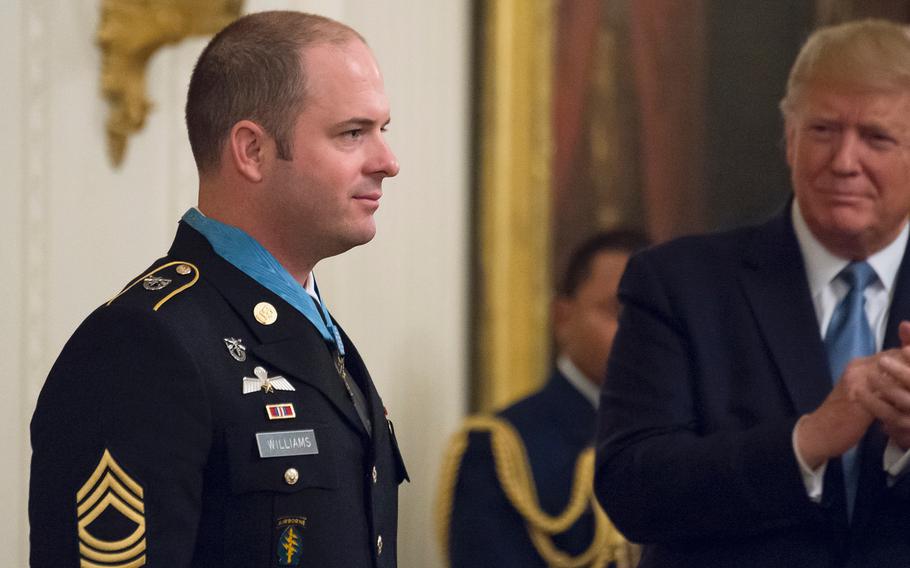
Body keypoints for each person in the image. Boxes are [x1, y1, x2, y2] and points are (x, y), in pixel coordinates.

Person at [29, 11, 408, 567]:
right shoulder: (141, 347)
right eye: (352, 133)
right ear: (252, 151)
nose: (388, 163)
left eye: (383, 130)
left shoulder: (311, 331)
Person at [595, 19, 910, 568]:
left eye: (876, 138)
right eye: (823, 130)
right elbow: (632, 488)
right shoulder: (679, 285)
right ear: (788, 138)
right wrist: (806, 441)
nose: (843, 162)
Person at [442, 230, 649, 567]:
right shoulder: (501, 449)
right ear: (563, 317)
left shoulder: (685, 436)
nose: (639, 334)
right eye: (618, 313)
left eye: (653, 318)